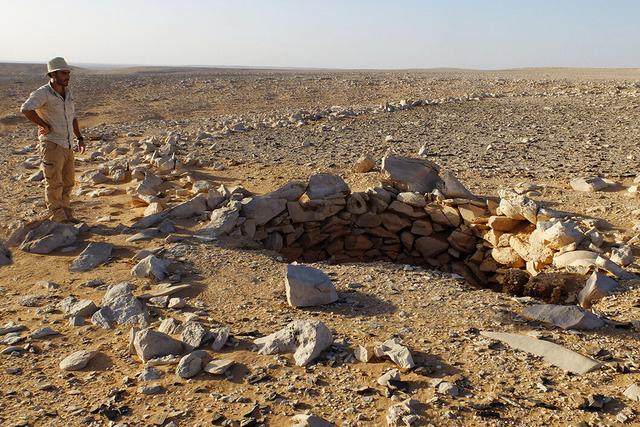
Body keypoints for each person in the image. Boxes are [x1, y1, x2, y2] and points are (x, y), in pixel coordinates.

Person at [20, 57, 86, 223]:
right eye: (64, 73)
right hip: (52, 144)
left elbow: (72, 117)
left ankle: (67, 214)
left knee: (68, 182)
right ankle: (57, 217)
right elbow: (26, 108)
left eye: (68, 73)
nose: (67, 76)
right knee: (54, 182)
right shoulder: (43, 93)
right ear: (52, 74)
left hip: (68, 143)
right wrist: (43, 124)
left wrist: (79, 137)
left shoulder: (68, 92)